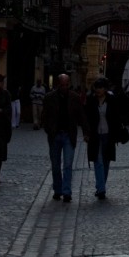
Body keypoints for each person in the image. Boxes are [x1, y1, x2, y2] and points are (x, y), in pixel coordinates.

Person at [41, 73, 88, 202]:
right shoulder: (49, 98)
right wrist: (48, 130)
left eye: (66, 85)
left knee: (68, 164)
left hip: (68, 135)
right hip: (55, 135)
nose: (64, 87)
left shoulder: (74, 97)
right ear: (58, 85)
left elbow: (81, 116)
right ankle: (58, 189)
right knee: (55, 165)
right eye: (62, 85)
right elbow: (45, 116)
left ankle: (67, 191)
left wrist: (86, 132)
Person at [85, 77, 124, 199]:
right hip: (95, 134)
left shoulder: (111, 100)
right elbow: (87, 117)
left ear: (105, 89)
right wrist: (87, 133)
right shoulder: (91, 100)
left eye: (100, 87)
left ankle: (101, 184)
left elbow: (117, 116)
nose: (98, 90)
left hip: (109, 134)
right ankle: (101, 188)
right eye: (96, 87)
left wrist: (118, 132)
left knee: (106, 161)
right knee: (98, 160)